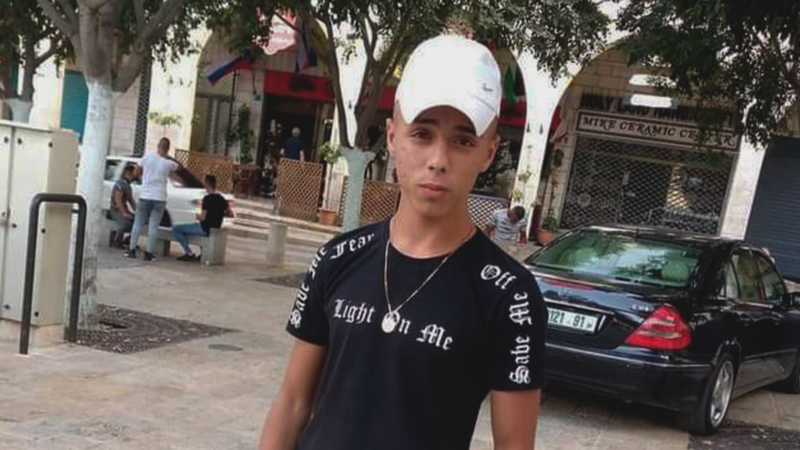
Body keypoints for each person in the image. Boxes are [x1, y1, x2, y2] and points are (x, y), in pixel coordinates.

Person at [259, 35, 547, 450]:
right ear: (393, 137)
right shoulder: (337, 258)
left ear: (489, 152)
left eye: (463, 140)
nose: (438, 159)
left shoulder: (509, 294)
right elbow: (292, 402)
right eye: (422, 134)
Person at [127, 137, 181, 261]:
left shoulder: (147, 157)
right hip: (159, 198)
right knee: (153, 226)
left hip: (145, 195)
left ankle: (131, 250)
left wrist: (142, 175)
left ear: (157, 145)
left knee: (138, 223)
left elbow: (136, 172)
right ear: (168, 149)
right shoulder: (168, 163)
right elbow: (180, 168)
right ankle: (148, 253)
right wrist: (169, 157)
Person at [171, 175, 232, 262]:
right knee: (192, 227)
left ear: (207, 184)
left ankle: (189, 253)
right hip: (215, 227)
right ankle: (202, 253)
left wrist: (197, 216)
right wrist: (219, 213)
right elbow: (230, 213)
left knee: (176, 229)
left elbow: (203, 218)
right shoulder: (222, 199)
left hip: (204, 228)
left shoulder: (207, 199)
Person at [109, 165, 137, 249]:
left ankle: (129, 240)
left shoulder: (128, 185)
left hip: (124, 210)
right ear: (128, 173)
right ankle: (117, 241)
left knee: (138, 221)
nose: (136, 176)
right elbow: (118, 200)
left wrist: (139, 212)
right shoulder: (120, 184)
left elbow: (131, 200)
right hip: (116, 210)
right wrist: (124, 213)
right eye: (134, 173)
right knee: (125, 223)